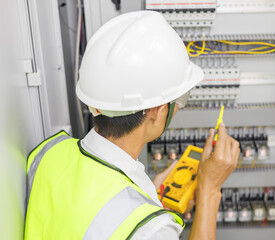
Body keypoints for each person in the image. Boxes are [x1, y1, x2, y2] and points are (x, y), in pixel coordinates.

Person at [25, 11, 240, 239]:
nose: (178, 107)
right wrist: (209, 191)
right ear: (156, 112)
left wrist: (146, 198)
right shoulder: (151, 230)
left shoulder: (48, 153)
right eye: (179, 99)